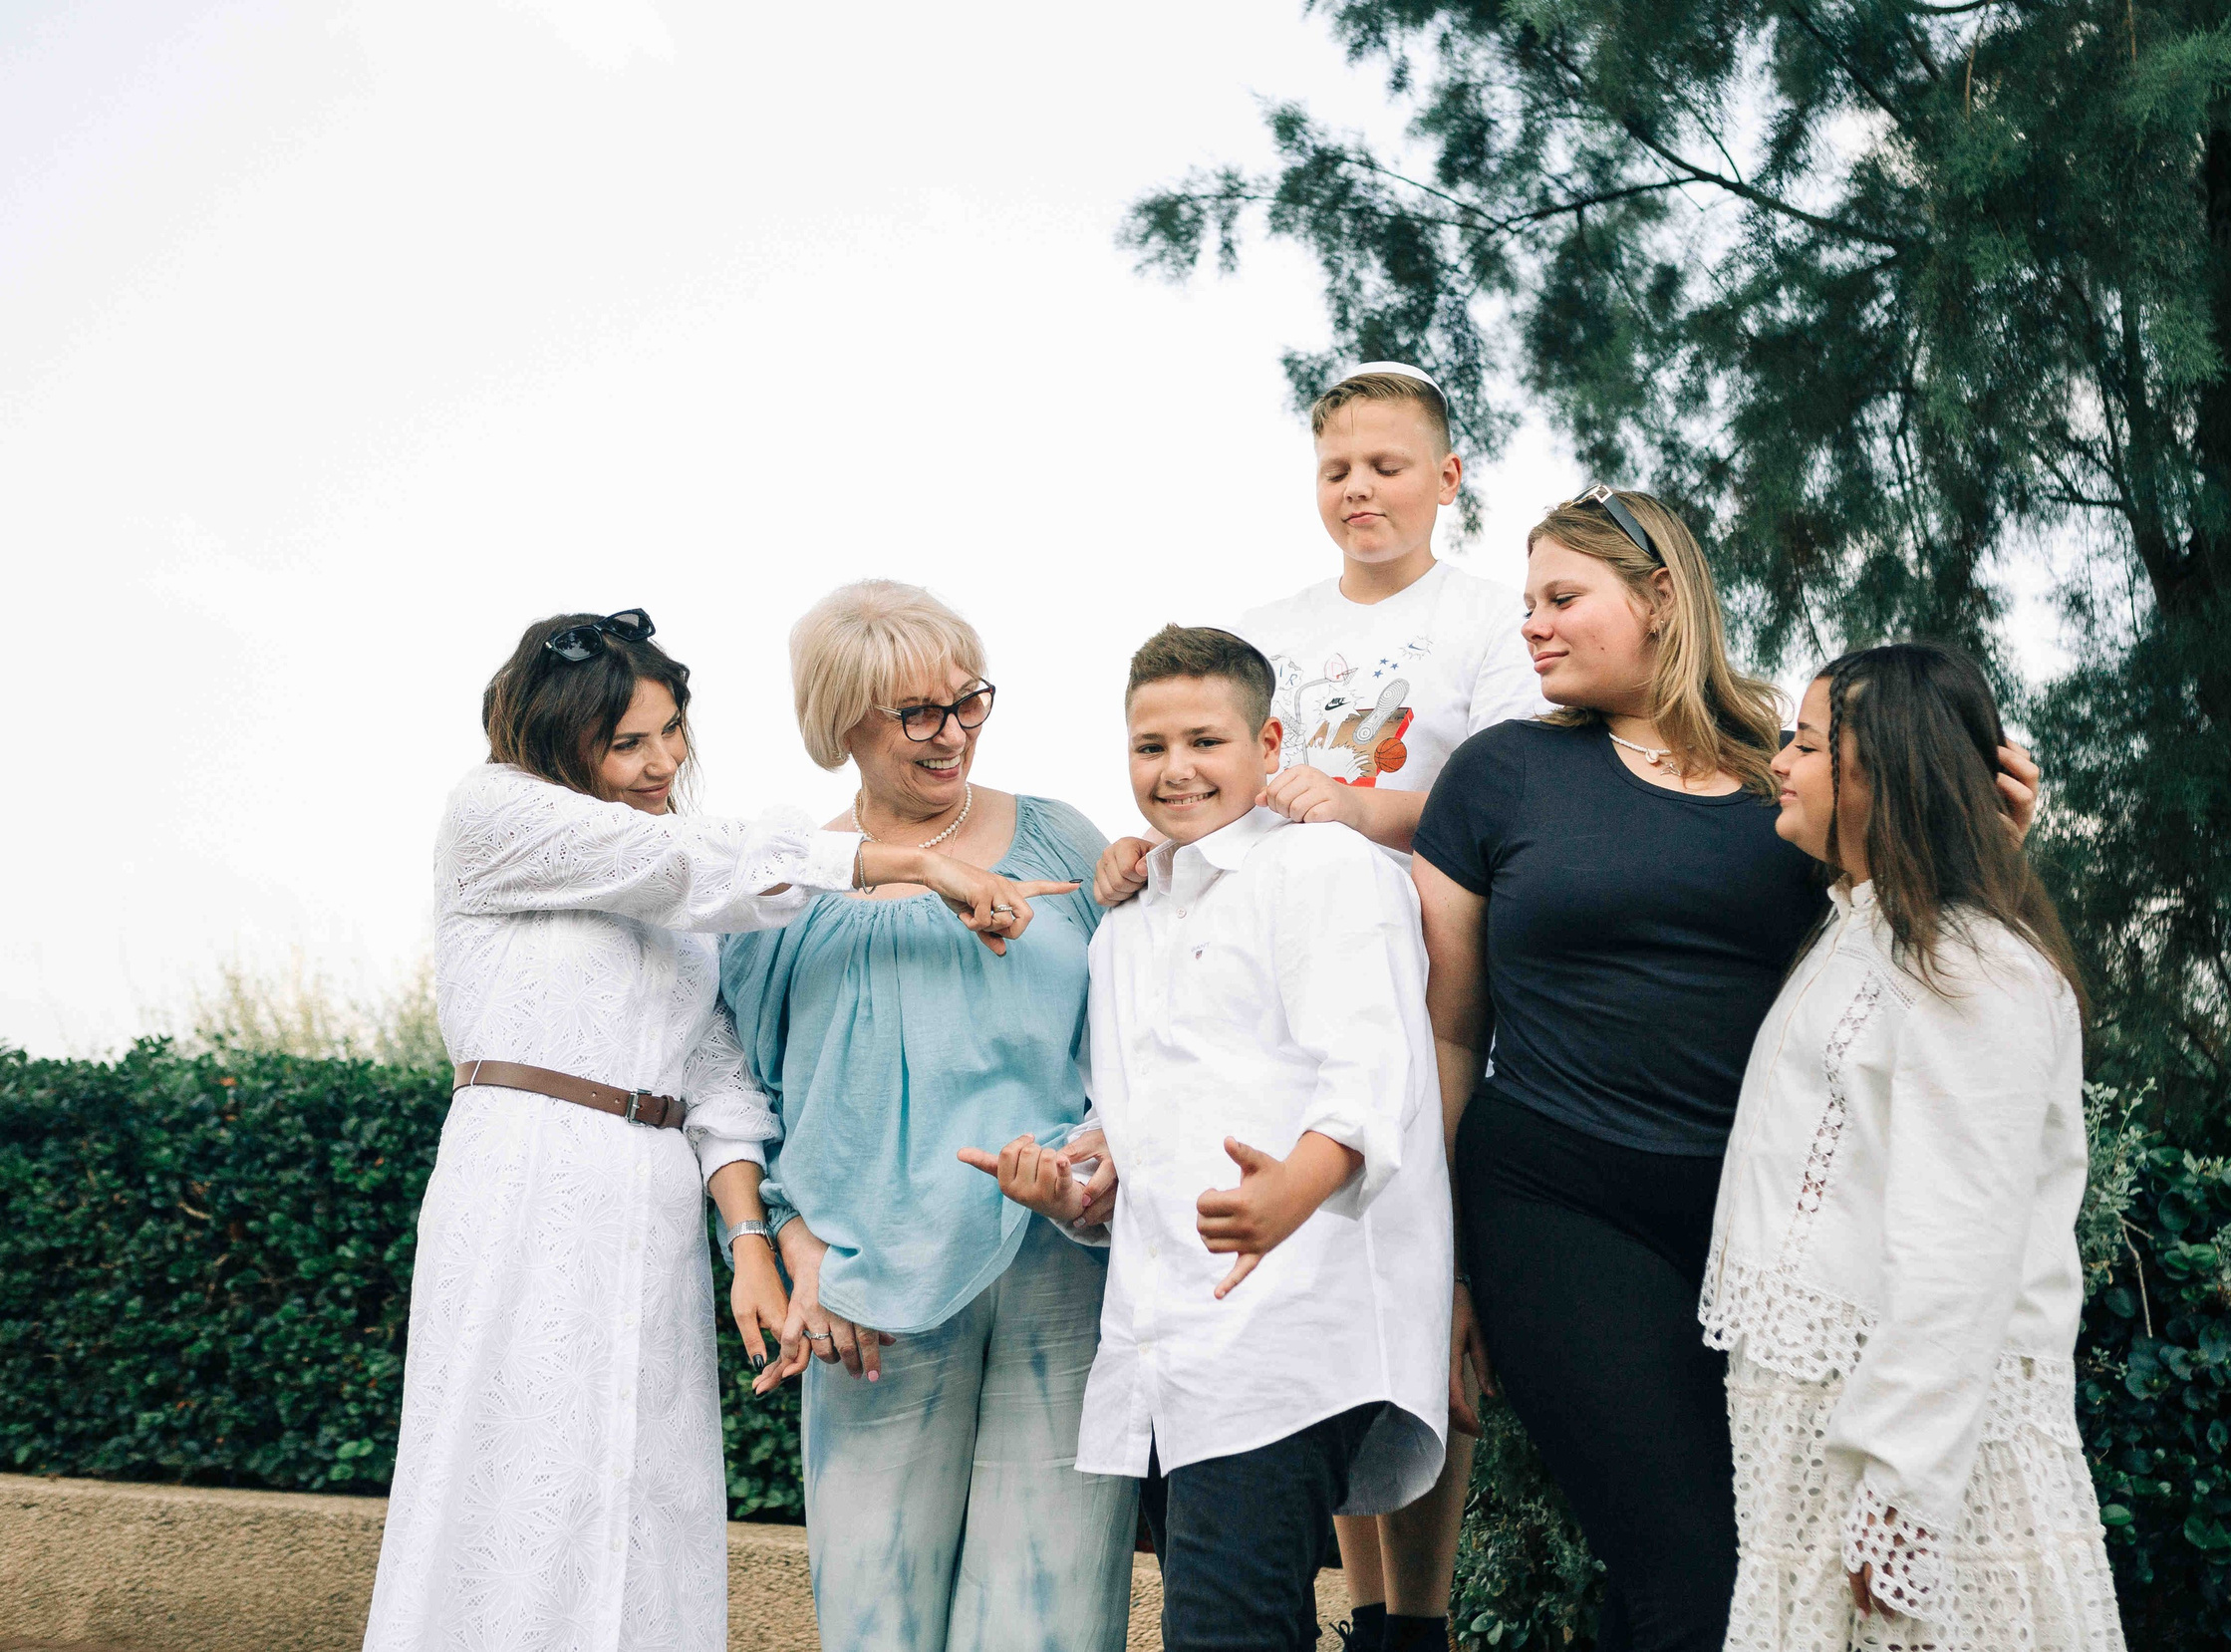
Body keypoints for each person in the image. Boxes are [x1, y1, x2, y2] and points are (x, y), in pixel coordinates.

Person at [1409, 493, 2042, 1652]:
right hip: (1555, 1199)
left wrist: (1980, 841)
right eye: (1526, 604)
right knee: (1692, 1573)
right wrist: (1445, 1263)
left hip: (1753, 1231)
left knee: (1722, 1567)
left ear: (1659, 599)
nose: (1532, 628)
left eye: (1562, 598)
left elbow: (1899, 946)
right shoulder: (1500, 776)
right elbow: (1448, 1035)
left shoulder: (1790, 782)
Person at [367, 609, 1045, 1652]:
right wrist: (922, 865)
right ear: (555, 738)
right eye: (627, 741)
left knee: (648, 1479)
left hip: (647, 1200)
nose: (661, 760)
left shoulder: (674, 884)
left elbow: (715, 1074)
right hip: (527, 1173)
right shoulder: (496, 814)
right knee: (514, 1469)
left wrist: (748, 1243)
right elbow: (695, 861)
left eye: (671, 731)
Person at [1094, 363, 1542, 1652]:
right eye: (1338, 468)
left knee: (1410, 1272)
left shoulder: (1483, 623)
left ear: (1447, 479)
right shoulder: (1270, 623)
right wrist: (1148, 856)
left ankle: (1421, 1613)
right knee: (1309, 1293)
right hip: (1277, 1003)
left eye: (1388, 465)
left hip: (1435, 992)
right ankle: (1360, 1606)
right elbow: (1211, 782)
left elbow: (1509, 800)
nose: (1360, 490)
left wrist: (1367, 807)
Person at [973, 624, 1452, 1652]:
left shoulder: (1322, 865)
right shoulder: (1127, 924)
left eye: (1205, 739)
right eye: (1151, 746)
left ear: (1268, 740)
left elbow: (1375, 1072)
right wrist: (1076, 1192)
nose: (1176, 768)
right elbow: (1138, 1130)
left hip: (1291, 1327)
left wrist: (1293, 1191)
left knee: (1227, 1630)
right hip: (1172, 1343)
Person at [717, 581, 1139, 1652]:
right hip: (864, 1294)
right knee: (875, 1616)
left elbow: (1140, 1045)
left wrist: (1093, 1164)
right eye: (917, 712)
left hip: (1057, 1265)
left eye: (968, 700)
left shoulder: (1061, 840)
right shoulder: (780, 892)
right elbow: (741, 1097)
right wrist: (797, 1242)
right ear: (841, 721)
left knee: (1047, 1613)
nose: (952, 732)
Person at [1703, 641, 2125, 1647]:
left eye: (1806, 743)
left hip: (1915, 1458)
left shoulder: (1974, 966)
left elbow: (1961, 1250)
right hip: (1812, 1435)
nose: (1780, 762)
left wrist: (1898, 1493)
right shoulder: (1863, 929)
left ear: (1876, 769)